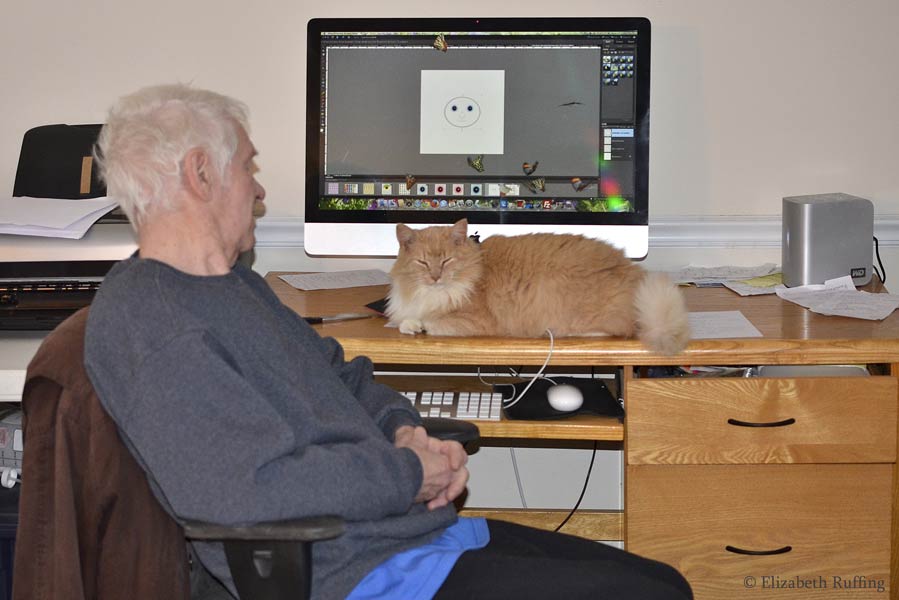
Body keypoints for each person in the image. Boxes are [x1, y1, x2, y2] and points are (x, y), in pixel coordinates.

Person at [84, 83, 692, 600]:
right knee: (655, 594)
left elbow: (339, 375)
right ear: (200, 173)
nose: (259, 190)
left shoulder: (232, 287)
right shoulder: (154, 322)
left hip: (407, 535)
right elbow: (253, 490)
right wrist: (409, 473)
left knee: (661, 582)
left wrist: (406, 430)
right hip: (363, 574)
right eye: (249, 166)